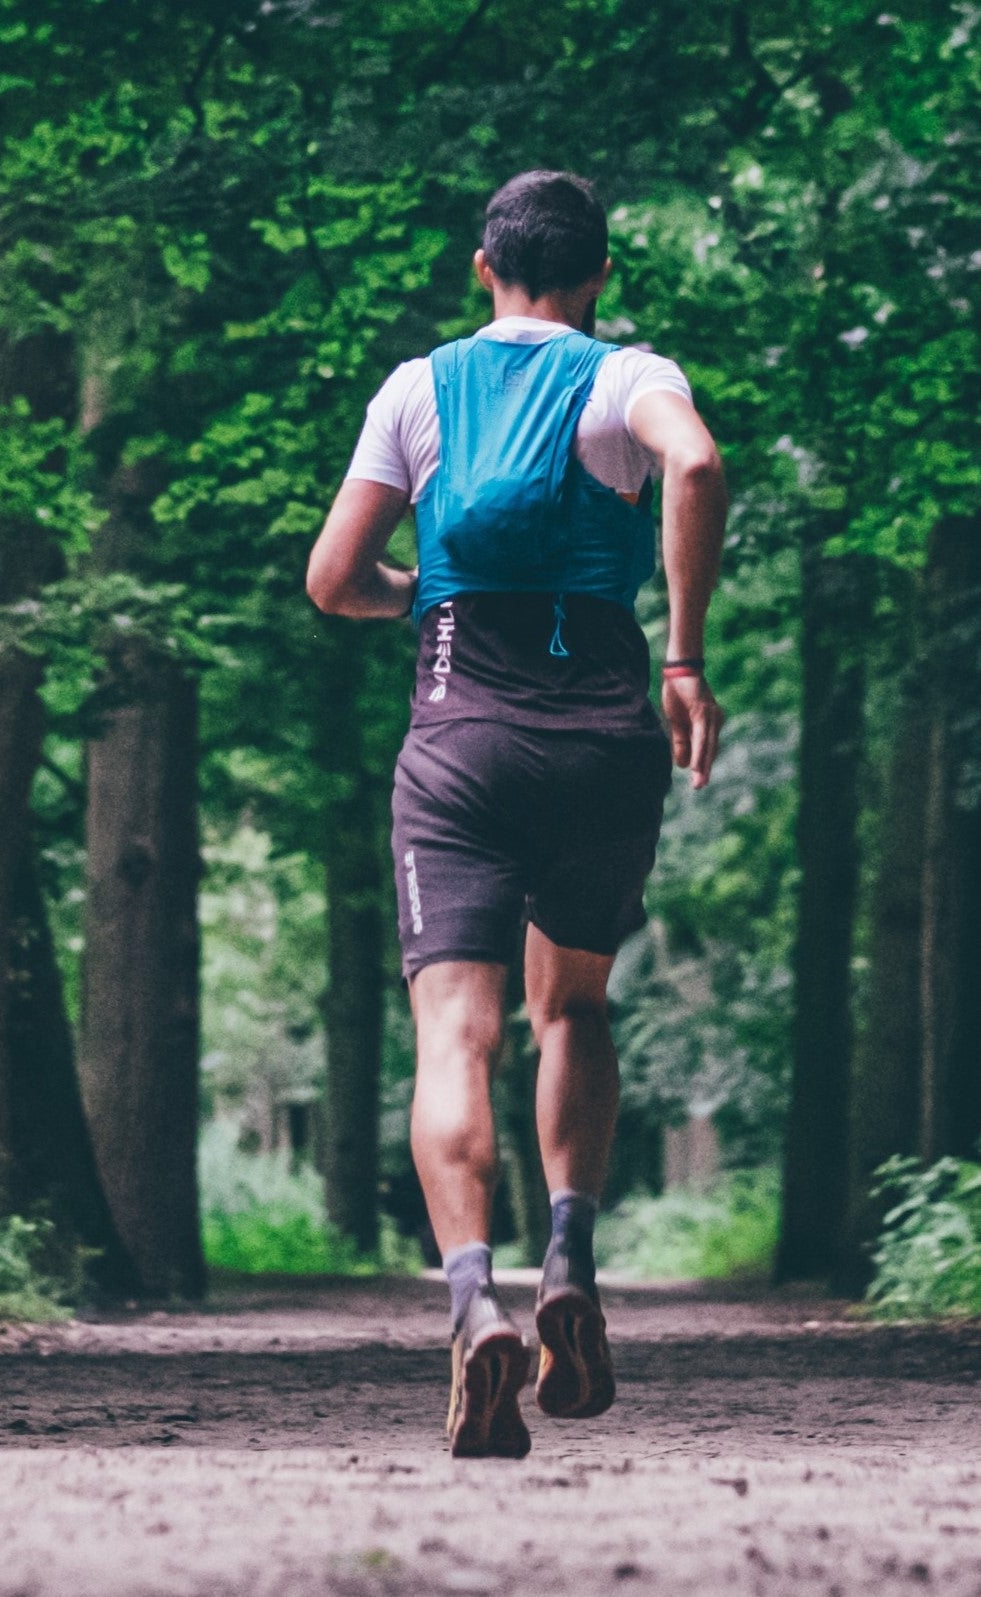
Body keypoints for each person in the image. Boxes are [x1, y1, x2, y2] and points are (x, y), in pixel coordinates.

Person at [305, 170, 727, 1458]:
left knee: (457, 1032)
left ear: (482, 267)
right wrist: (684, 660)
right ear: (598, 277)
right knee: (574, 1008)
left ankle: (474, 1300)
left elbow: (332, 580)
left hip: (460, 745)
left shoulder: (417, 389)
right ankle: (570, 1264)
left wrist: (420, 592)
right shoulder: (624, 376)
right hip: (604, 743)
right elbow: (697, 464)